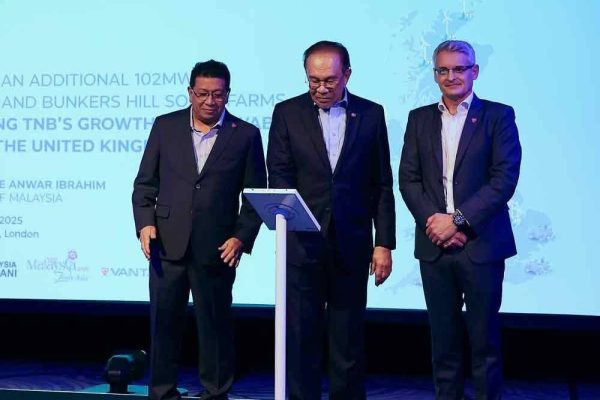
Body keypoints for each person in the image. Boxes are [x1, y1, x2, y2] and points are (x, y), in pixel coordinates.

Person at [266, 40, 396, 400]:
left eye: (329, 80)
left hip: (352, 244)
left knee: (348, 340)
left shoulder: (371, 114)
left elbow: (381, 183)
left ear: (347, 75)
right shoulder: (287, 113)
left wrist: (384, 243)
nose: (321, 88)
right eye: (314, 80)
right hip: (302, 244)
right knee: (300, 339)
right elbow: (278, 174)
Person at [132, 60, 267, 400]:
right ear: (190, 92)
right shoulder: (165, 126)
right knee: (163, 324)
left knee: (215, 326)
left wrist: (241, 237)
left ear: (228, 94)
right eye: (203, 94)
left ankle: (215, 393)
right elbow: (145, 184)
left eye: (217, 94)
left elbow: (255, 196)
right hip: (166, 243)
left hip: (218, 246)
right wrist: (145, 223)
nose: (210, 101)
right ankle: (162, 392)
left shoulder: (245, 134)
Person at [398, 40, 522, 400]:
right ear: (435, 74)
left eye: (459, 68)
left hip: (481, 244)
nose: (451, 76)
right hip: (435, 245)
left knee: (485, 343)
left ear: (474, 72)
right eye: (443, 70)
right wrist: (435, 223)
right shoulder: (419, 119)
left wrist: (459, 221)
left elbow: (504, 179)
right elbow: (409, 179)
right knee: (444, 343)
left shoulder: (498, 116)